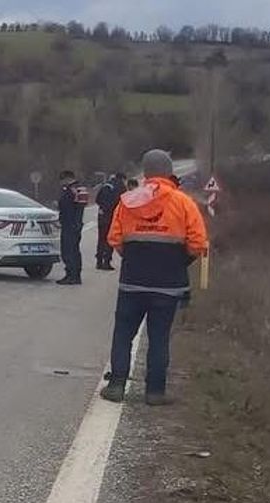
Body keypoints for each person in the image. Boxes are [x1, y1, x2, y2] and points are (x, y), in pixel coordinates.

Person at [100, 150, 208, 405]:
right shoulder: (184, 203)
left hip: (132, 282)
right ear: (170, 171)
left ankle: (116, 386)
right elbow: (198, 243)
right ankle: (155, 392)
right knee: (159, 337)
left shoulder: (127, 201)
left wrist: (136, 257)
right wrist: (178, 260)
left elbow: (114, 239)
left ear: (145, 173)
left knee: (123, 334)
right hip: (168, 285)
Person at [56, 170, 88, 285]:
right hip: (76, 223)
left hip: (70, 224)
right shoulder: (81, 188)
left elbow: (67, 206)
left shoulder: (72, 189)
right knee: (75, 250)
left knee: (68, 250)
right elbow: (82, 205)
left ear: (66, 178)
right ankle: (76, 275)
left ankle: (71, 275)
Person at [95, 173, 127, 271]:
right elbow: (123, 201)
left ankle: (99, 261)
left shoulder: (106, 185)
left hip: (102, 215)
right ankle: (107, 262)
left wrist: (103, 207)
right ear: (122, 179)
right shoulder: (121, 187)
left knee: (101, 238)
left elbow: (97, 199)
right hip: (112, 215)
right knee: (110, 239)